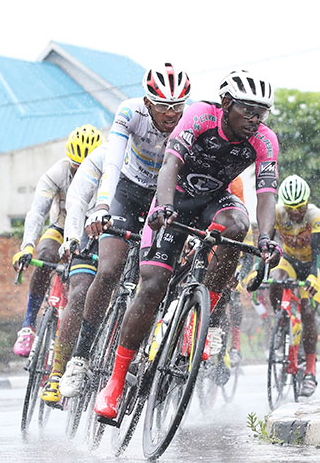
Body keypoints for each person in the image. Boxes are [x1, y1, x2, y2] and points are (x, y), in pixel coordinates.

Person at [94, 69, 282, 418]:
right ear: (226, 104)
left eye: (262, 113)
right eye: (248, 111)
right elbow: (170, 163)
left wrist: (267, 238)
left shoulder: (265, 139)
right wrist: (163, 206)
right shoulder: (199, 116)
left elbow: (266, 193)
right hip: (175, 198)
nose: (256, 120)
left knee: (238, 224)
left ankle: (202, 317)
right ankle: (116, 382)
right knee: (151, 285)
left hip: (213, 200)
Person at [58, 63, 190, 398]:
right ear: (148, 103)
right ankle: (81, 357)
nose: (172, 114)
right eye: (163, 107)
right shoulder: (130, 112)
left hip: (162, 200)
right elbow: (113, 164)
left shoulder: (189, 124)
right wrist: (102, 206)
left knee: (159, 278)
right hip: (126, 194)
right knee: (109, 269)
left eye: (178, 106)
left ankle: (148, 352)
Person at [10, 124, 104, 357]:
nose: (81, 171)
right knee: (46, 255)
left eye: (86, 167)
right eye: (76, 166)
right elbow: (37, 212)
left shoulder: (106, 172)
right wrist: (27, 247)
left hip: (90, 231)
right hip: (61, 227)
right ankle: (28, 326)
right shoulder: (57, 172)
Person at [40, 141, 108, 403]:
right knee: (80, 293)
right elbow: (76, 204)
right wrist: (71, 240)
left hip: (124, 231)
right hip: (88, 229)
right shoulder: (99, 161)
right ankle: (57, 374)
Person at [269, 175, 320, 397]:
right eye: (290, 208)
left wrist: (313, 277)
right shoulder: (276, 212)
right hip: (289, 260)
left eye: (299, 207)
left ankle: (310, 370)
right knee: (275, 279)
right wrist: (257, 271)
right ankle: (281, 321)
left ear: (307, 202)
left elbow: (319, 253)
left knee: (308, 311)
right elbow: (266, 244)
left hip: (311, 265)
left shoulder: (315, 215)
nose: (295, 213)